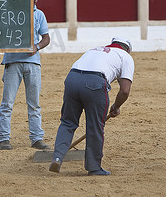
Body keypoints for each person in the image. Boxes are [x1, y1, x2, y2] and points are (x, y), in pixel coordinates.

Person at [49, 37, 134, 176]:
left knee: (67, 123)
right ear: (128, 49)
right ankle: (94, 167)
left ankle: (57, 157)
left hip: (72, 79)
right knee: (95, 126)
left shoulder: (96, 49)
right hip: (95, 83)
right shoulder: (126, 56)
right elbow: (125, 90)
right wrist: (116, 106)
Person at [0, 0, 50, 151]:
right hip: (13, 61)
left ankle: (37, 138)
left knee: (34, 103)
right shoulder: (10, 12)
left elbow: (46, 38)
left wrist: (37, 47)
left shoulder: (39, 14)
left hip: (33, 61)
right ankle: (4, 139)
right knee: (8, 103)